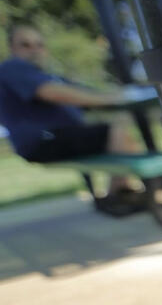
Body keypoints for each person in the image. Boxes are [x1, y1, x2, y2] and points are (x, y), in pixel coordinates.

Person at [0, 23, 147, 214]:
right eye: (25, 45)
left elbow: (85, 93)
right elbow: (52, 93)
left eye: (39, 44)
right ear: (12, 49)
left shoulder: (47, 75)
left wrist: (119, 96)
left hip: (58, 136)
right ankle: (120, 194)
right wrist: (112, 98)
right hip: (42, 139)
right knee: (115, 132)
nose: (34, 50)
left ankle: (119, 193)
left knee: (118, 126)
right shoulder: (13, 68)